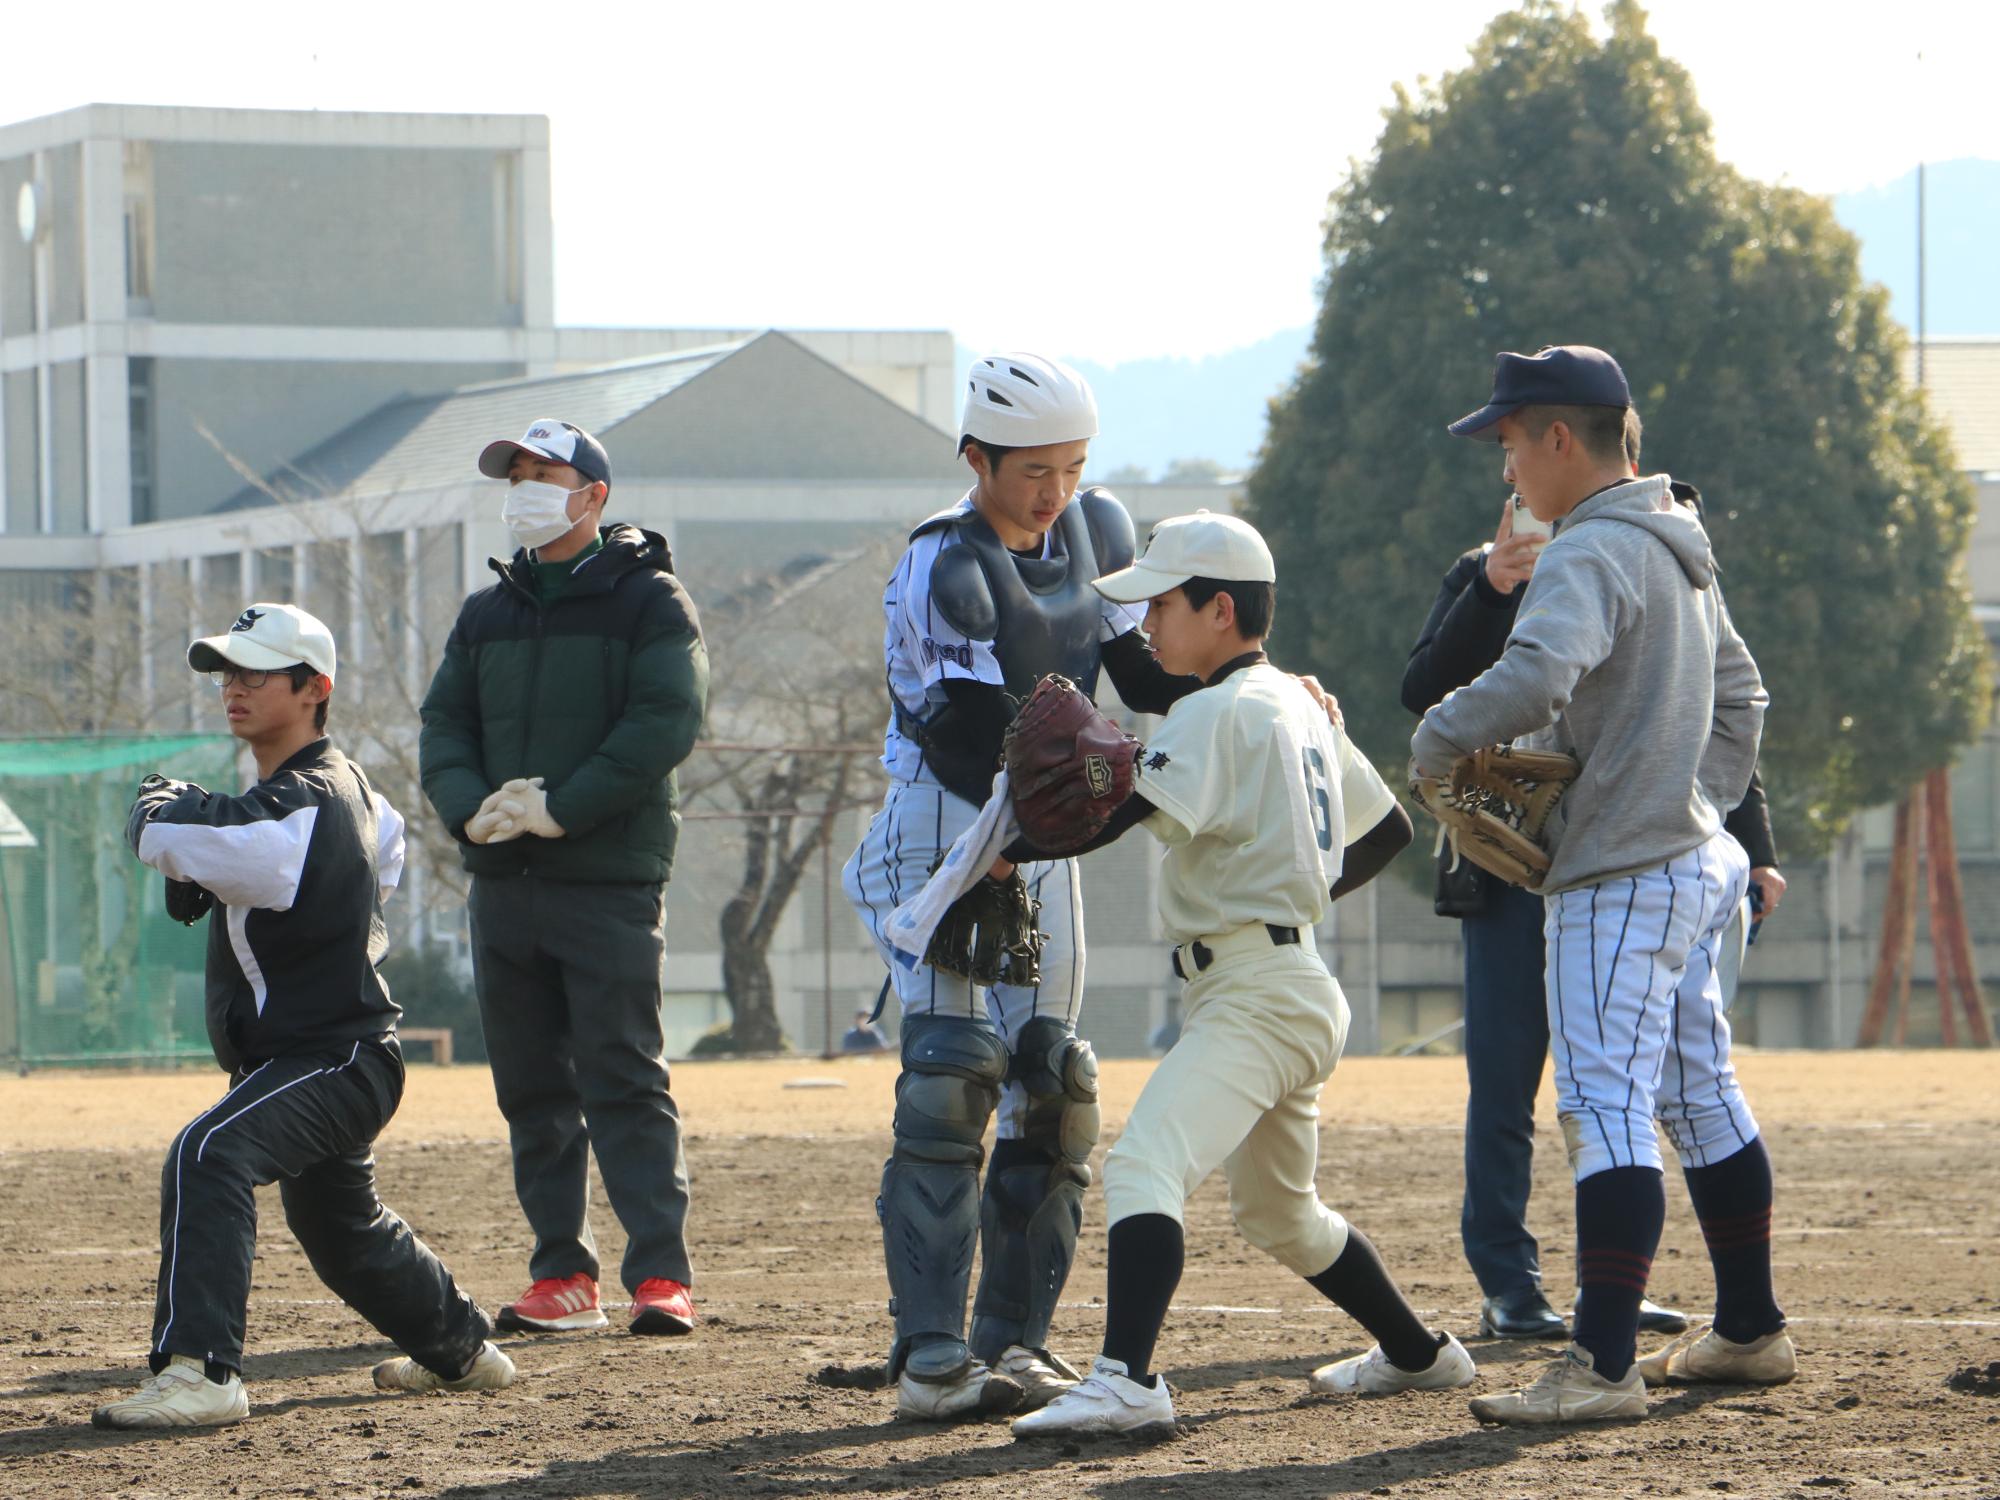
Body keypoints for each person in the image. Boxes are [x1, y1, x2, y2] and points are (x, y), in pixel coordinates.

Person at [1006, 511, 1476, 1438]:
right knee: (1279, 1212)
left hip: (1259, 995)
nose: (1146, 625)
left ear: (1219, 609)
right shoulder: (1294, 703)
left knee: (1145, 1162)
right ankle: (1423, 1355)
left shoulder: (1216, 711)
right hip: (1288, 983)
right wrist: (1290, 888)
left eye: (1161, 605)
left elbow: (1114, 814)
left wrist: (1003, 854)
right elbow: (1387, 832)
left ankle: (1128, 1380)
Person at [1414, 346, 1794, 1427]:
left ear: (1558, 439)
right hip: (1688, 864)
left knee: (1599, 1103)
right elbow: (1744, 697)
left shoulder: (1586, 549)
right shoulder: (1677, 544)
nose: (1505, 475)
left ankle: (1600, 1365)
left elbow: (1535, 675)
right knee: (1696, 1091)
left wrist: (1436, 743)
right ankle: (1750, 1329)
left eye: (1508, 446)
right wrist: (1696, 801)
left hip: (1616, 876)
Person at [843, 353, 1215, 1421]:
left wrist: (1243, 682)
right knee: (952, 1074)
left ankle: (1014, 1345)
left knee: (1055, 1084)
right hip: (947, 821)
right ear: (975, 459)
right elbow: (964, 738)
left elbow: (1139, 675)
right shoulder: (941, 565)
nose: (1052, 492)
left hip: (1042, 824)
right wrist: (1055, 809)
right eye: (1030, 471)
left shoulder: (1095, 533)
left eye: (1071, 466)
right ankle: (927, 1356)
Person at [98, 603, 512, 1430]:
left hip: (332, 1056)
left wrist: (157, 801)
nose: (233, 689)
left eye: (255, 673)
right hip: (329, 1055)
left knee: (209, 1152)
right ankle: (465, 1351)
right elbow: (373, 861)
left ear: (315, 688)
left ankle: (203, 1373)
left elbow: (171, 832)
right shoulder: (350, 791)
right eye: (227, 673)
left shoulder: (299, 802)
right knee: (341, 1227)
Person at [419, 419, 708, 1339]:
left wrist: (564, 807)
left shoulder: (650, 602)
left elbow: (666, 718)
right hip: (505, 882)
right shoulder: (485, 613)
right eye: (517, 474)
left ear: (594, 495)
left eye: (546, 473)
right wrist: (473, 810)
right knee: (531, 1083)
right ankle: (562, 1273)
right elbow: (443, 729)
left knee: (623, 1073)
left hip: (607, 877)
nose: (526, 487)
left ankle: (660, 1275)